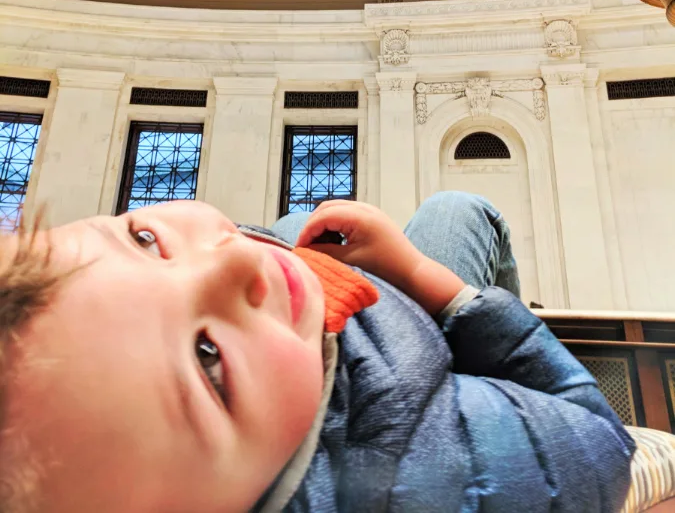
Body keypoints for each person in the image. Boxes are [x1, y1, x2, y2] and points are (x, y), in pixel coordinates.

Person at [0, 193, 635, 513]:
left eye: (144, 239)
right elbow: (601, 439)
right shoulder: (435, 479)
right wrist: (429, 282)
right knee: (460, 208)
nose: (235, 257)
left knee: (302, 221)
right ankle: (486, 359)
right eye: (207, 357)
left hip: (360, 336)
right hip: (421, 376)